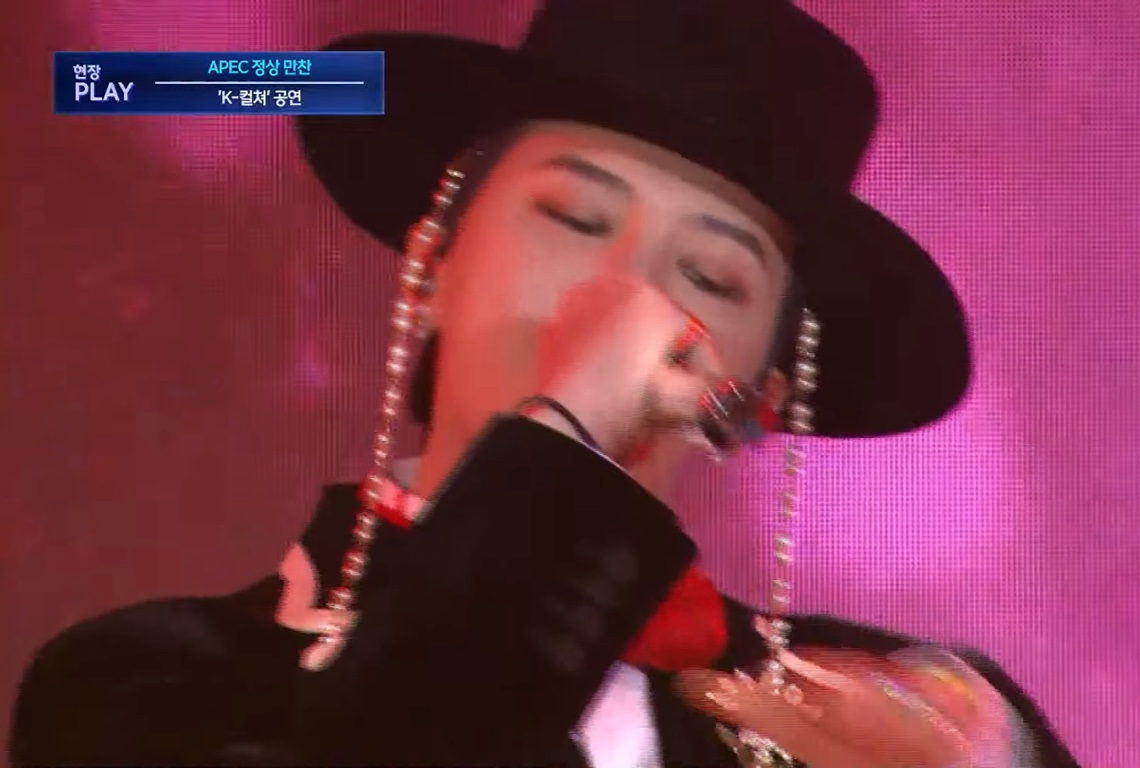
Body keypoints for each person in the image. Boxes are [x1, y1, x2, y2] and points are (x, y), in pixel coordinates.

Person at [9, 0, 1082, 766]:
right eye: (572, 218)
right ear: (433, 262)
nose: (631, 296)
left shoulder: (887, 720)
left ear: (757, 396)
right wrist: (567, 436)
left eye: (712, 276)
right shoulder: (148, 681)